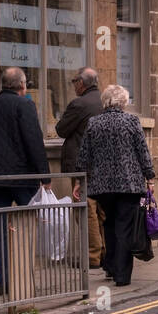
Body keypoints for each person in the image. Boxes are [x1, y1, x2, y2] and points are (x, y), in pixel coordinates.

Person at [0, 67, 50, 294]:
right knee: (25, 229)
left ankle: (0, 283)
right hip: (21, 177)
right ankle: (22, 282)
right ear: (22, 85)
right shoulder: (24, 105)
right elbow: (33, 141)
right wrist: (44, 176)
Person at [78, 84, 156, 287]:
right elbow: (142, 152)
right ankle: (122, 275)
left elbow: (84, 155)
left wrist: (80, 181)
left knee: (109, 225)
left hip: (102, 186)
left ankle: (111, 268)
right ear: (123, 102)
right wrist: (150, 177)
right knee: (124, 228)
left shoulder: (93, 123)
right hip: (128, 184)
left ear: (105, 101)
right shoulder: (131, 121)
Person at [55, 67, 105, 269]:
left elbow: (61, 129)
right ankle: (104, 253)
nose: (73, 84)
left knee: (86, 211)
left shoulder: (79, 104)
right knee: (101, 212)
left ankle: (93, 257)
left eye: (74, 81)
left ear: (81, 83)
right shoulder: (104, 100)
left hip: (82, 166)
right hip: (102, 165)